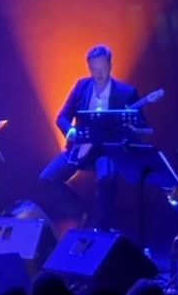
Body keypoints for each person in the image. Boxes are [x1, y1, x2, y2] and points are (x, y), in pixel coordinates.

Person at [38, 45, 145, 232]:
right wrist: (71, 131)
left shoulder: (126, 92)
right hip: (81, 147)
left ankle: (102, 228)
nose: (99, 74)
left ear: (110, 66)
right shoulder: (81, 86)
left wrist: (130, 129)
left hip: (108, 151)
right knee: (47, 178)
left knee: (106, 179)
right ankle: (84, 210)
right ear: (89, 68)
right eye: (94, 69)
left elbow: (141, 124)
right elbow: (62, 117)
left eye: (103, 68)